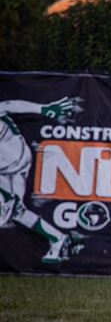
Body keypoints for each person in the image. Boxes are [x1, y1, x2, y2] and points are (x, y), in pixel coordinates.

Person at [0, 97, 84, 264]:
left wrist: (43, 109)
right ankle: (58, 239)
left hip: (15, 160)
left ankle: (9, 201)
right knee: (17, 212)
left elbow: (8, 105)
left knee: (10, 211)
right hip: (12, 165)